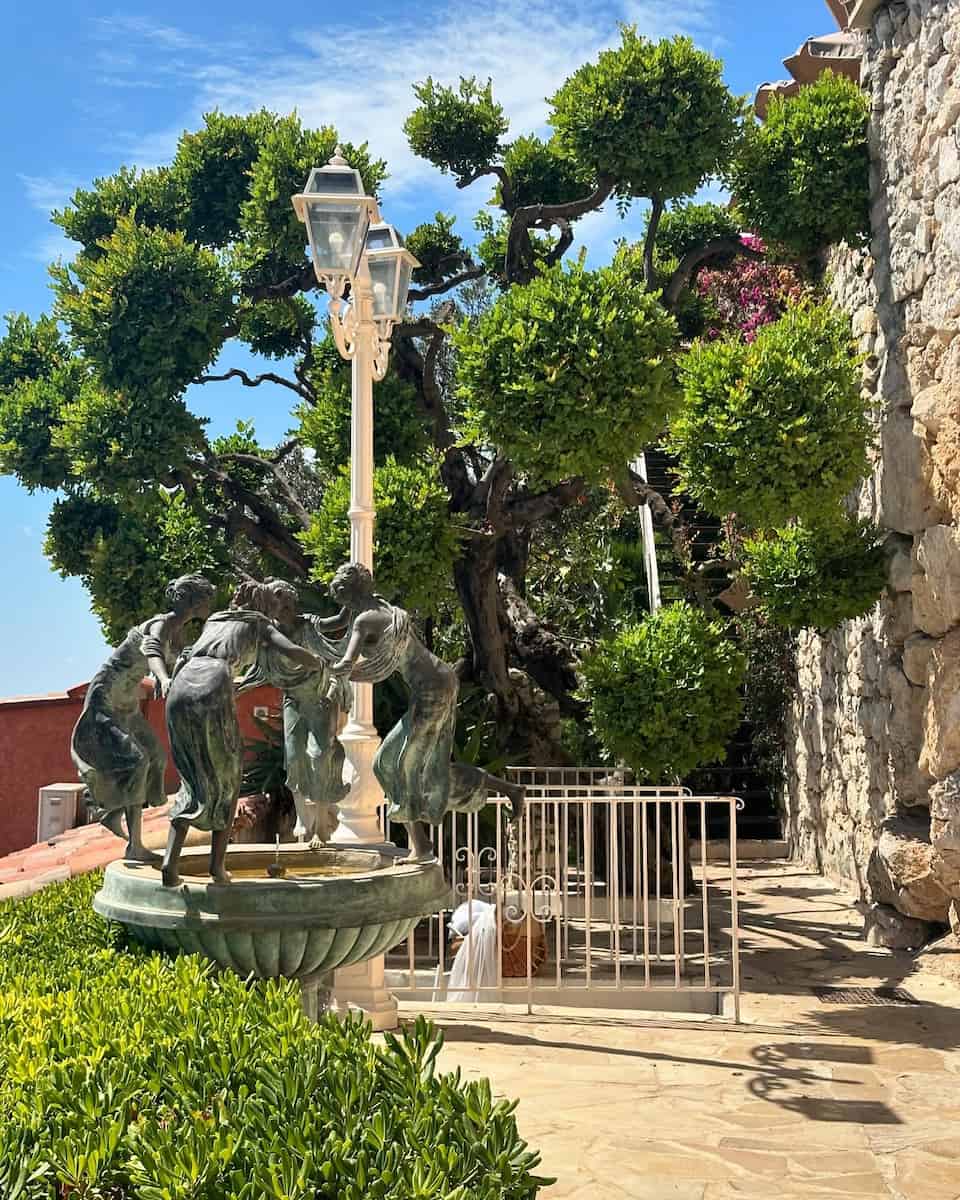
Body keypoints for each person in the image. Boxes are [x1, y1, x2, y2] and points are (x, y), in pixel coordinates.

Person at [325, 562, 524, 861]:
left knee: (400, 766)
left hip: (433, 689)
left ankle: (421, 847)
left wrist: (319, 667)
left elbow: (346, 664)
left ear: (349, 593)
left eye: (341, 595)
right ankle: (505, 791)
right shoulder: (381, 607)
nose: (341, 603)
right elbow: (335, 624)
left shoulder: (365, 620)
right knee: (393, 765)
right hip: (436, 683)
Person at [161, 580, 328, 887]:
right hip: (213, 681)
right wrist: (317, 661)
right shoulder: (258, 623)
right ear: (262, 603)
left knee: (191, 778)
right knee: (227, 779)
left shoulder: (215, 619)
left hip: (180, 685)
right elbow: (290, 649)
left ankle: (170, 865)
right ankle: (216, 869)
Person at [70, 574, 215, 863]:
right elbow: (152, 652)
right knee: (137, 762)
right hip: (106, 698)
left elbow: (175, 666)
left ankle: (113, 814)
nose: (210, 603)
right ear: (193, 601)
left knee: (157, 757)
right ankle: (134, 845)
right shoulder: (160, 624)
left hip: (128, 703)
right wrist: (162, 678)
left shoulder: (179, 633)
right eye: (206, 599)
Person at [241, 579, 350, 846]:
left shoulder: (309, 625)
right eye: (272, 599)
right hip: (293, 700)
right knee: (294, 759)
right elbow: (252, 665)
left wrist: (353, 603)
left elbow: (337, 622)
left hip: (319, 698)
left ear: (289, 599)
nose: (277, 604)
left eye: (279, 597)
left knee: (320, 755)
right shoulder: (269, 635)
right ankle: (305, 821)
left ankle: (321, 825)